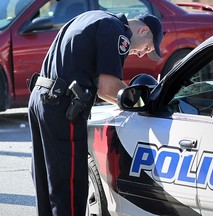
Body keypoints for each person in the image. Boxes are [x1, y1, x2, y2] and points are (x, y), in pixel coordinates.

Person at [28, 10, 163, 216]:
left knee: (46, 183)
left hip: (41, 98)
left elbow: (101, 86)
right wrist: (141, 103)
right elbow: (108, 87)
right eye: (147, 47)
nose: (142, 53)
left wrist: (119, 101)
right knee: (69, 185)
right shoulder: (118, 33)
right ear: (144, 30)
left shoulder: (92, 17)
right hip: (63, 106)